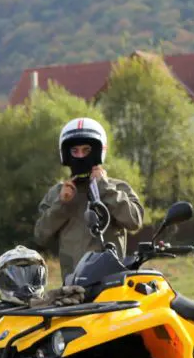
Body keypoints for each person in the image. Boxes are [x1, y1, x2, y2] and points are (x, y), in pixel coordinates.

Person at [34, 117, 145, 282]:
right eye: (75, 151)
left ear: (98, 151)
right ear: (66, 153)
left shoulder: (117, 187)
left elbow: (134, 221)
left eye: (86, 150)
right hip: (73, 285)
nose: (80, 156)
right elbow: (40, 236)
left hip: (111, 284)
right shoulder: (57, 193)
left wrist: (105, 189)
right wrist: (62, 205)